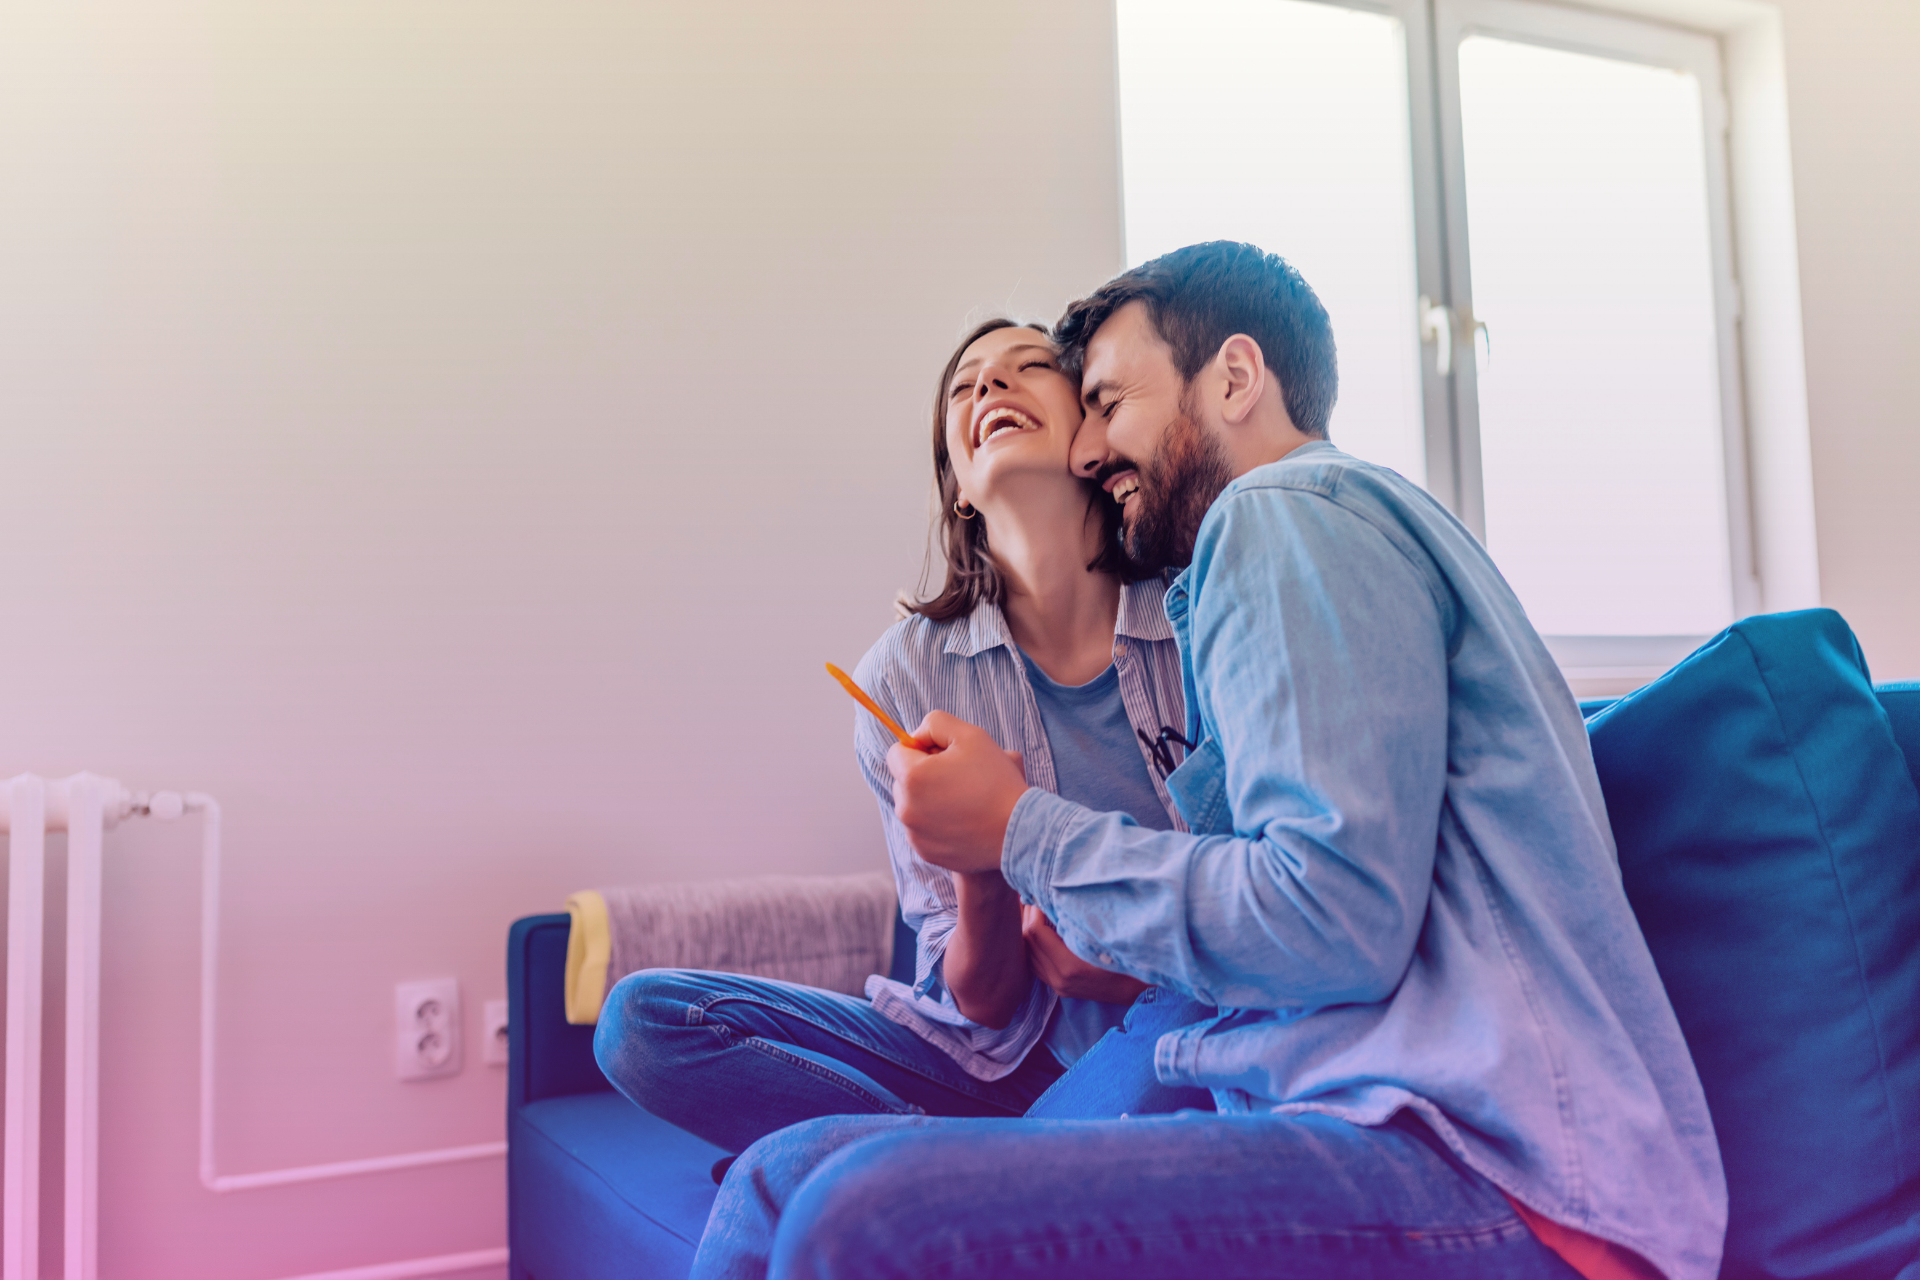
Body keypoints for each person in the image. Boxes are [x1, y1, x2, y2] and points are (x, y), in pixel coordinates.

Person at [689, 243, 1726, 1280]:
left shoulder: (1278, 516)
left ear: (1234, 378)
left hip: (1495, 1166)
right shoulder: (1326, 532)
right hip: (1391, 1114)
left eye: (1106, 401)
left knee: (849, 1212)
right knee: (784, 1173)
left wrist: (1016, 828)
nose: (1094, 449)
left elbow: (1330, 916)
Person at [593, 319, 1207, 1162]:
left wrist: (1139, 968)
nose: (991, 386)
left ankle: (882, 1167)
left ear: (1092, 441)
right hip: (983, 1071)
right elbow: (983, 1006)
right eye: (967, 387)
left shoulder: (1200, 619)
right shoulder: (902, 680)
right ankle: (954, 1166)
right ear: (957, 484)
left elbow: (1278, 901)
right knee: (644, 1021)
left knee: (1172, 1044)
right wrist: (981, 869)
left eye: (1030, 368)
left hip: (1176, 1028)